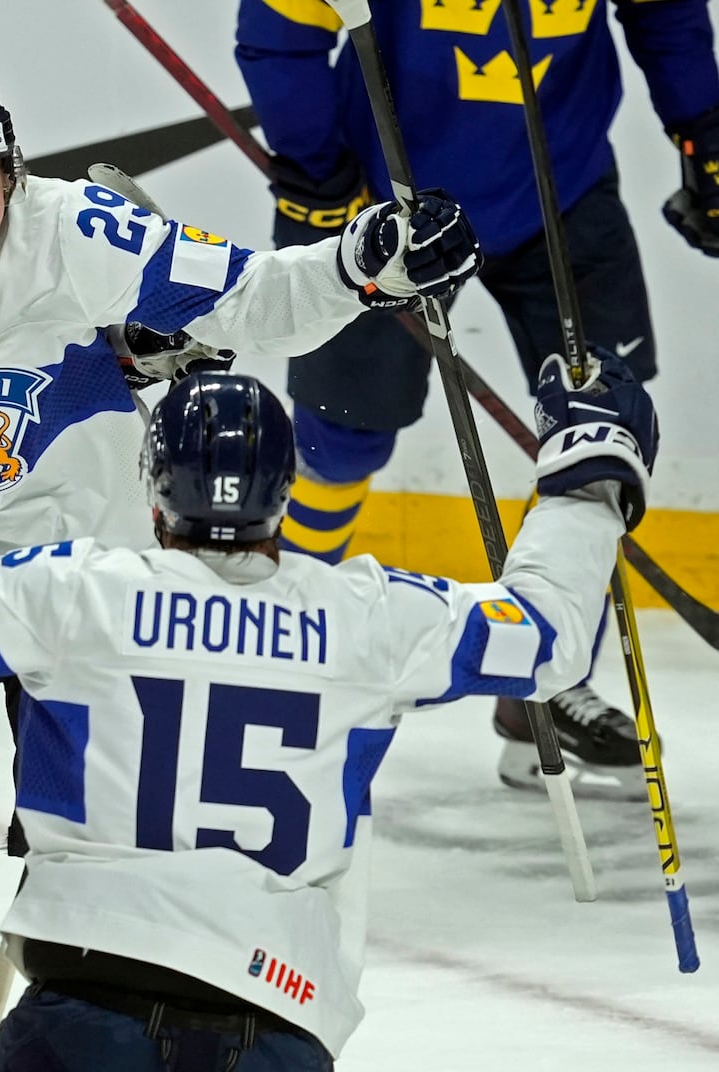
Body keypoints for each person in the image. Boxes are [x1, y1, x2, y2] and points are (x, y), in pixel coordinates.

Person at [0, 61, 481, 1069]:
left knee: (116, 898)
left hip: (82, 592)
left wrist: (360, 263)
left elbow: (250, 299)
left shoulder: (75, 228)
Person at [0, 324, 658, 1070]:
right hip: (277, 1017)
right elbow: (543, 637)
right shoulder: (367, 616)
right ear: (287, 490)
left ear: (152, 486)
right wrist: (589, 470)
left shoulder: (74, 593)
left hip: (83, 1012)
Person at [234, 0, 719, 796]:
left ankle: (545, 692)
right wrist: (316, 163)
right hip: (384, 197)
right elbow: (283, 28)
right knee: (342, 437)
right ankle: (278, 647)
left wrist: (704, 127)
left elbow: (662, 11)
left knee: (603, 432)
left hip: (559, 179)